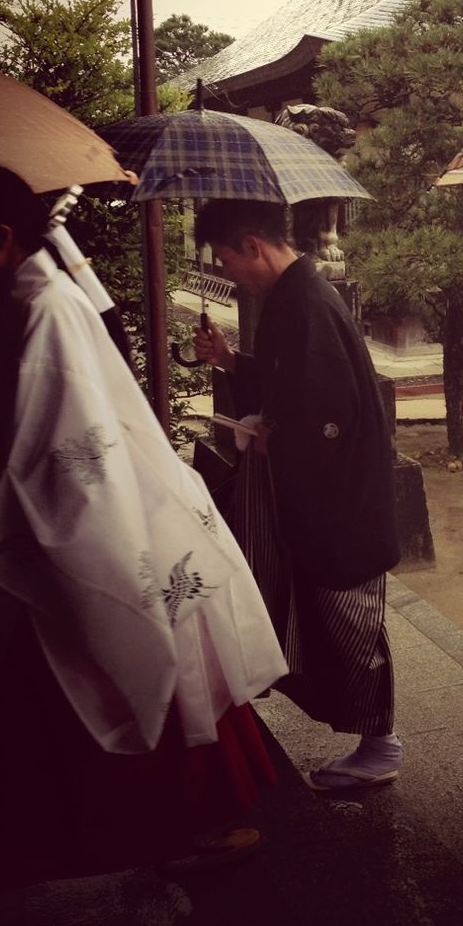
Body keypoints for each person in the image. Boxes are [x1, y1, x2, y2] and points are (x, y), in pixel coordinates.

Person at [0, 166, 287, 926]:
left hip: (78, 531)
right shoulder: (14, 302)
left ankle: (150, 839)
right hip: (44, 527)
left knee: (109, 672)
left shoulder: (47, 311)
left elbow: (63, 452)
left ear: (1, 240)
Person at [192, 199, 402, 791]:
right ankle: (372, 737)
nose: (229, 272)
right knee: (329, 620)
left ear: (253, 245)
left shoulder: (306, 302)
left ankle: (381, 744)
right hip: (327, 505)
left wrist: (271, 443)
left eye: (228, 259)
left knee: (352, 624)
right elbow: (296, 387)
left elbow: (329, 419)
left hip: (345, 508)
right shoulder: (293, 297)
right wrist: (233, 362)